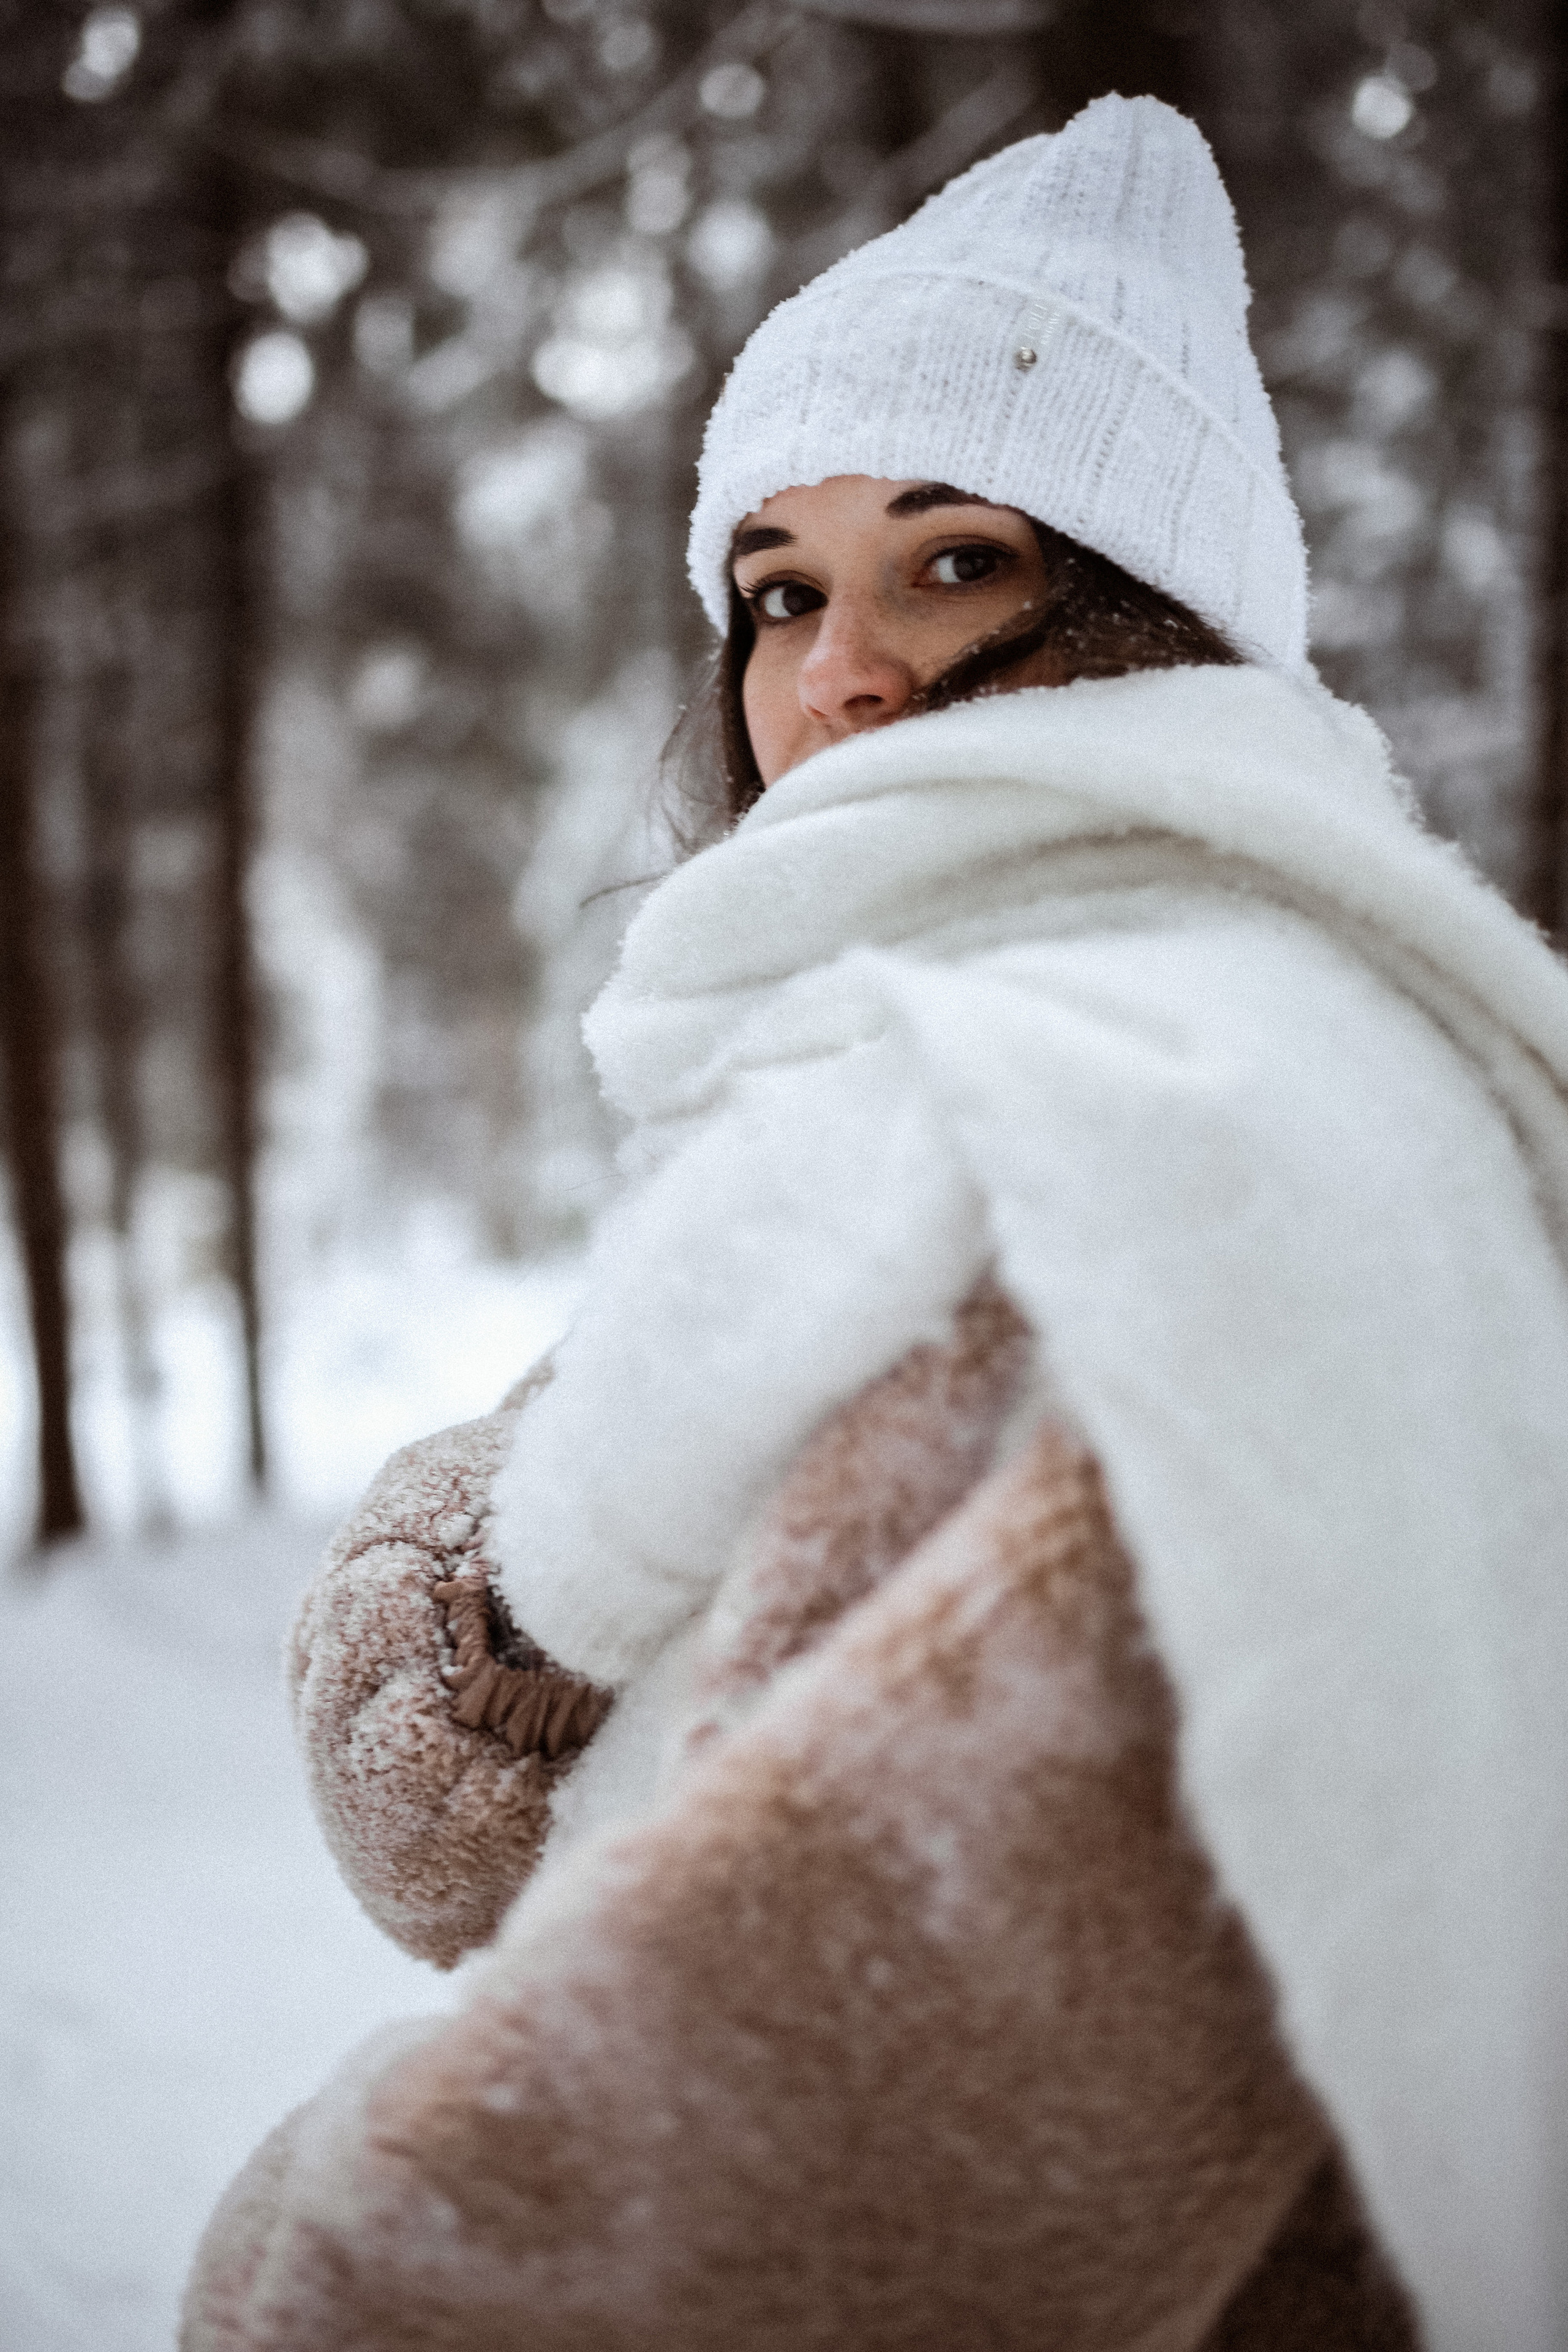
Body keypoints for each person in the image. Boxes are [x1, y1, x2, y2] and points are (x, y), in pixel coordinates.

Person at [182, 96, 1568, 2352]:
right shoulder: (950, 1093)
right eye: (781, 591)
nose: (834, 672)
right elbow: (495, 1811)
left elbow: (827, 2106)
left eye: (958, 562)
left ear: (1158, 621)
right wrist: (517, 1578)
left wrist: (290, 2281)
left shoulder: (1130, 1129)